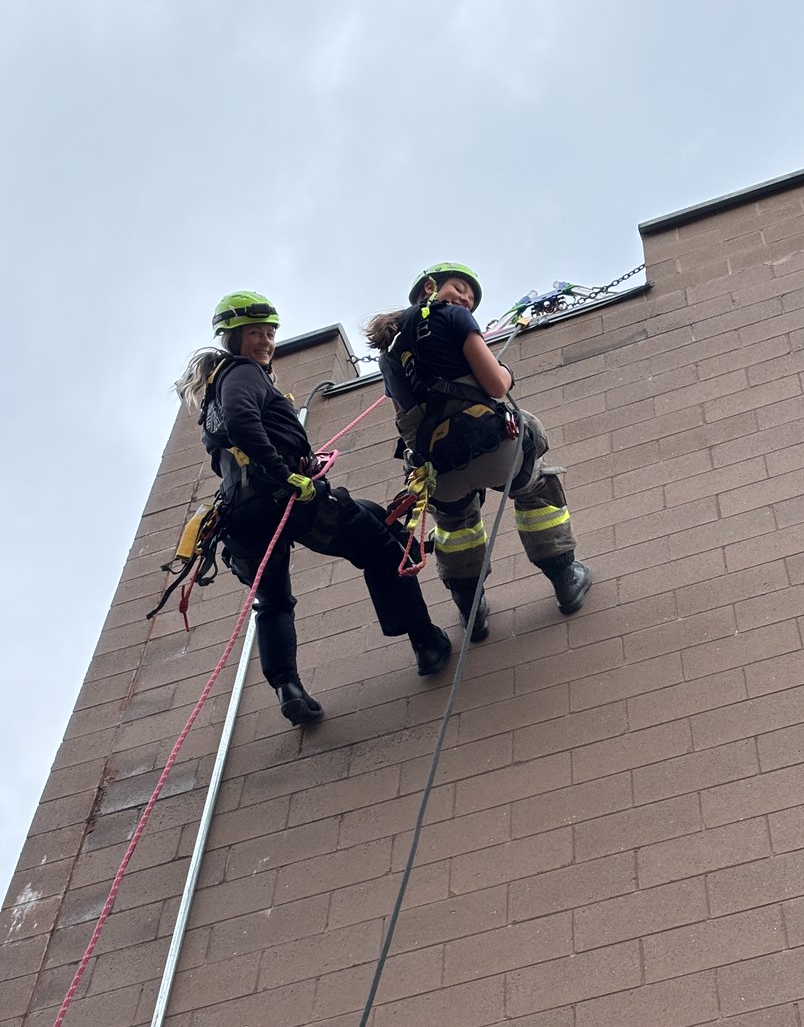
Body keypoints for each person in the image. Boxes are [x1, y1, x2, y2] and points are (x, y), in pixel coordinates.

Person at [174, 291, 451, 726]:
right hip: (283, 497)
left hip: (241, 516)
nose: (265, 341)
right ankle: (425, 642)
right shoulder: (242, 374)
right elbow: (244, 421)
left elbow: (237, 431)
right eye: (254, 333)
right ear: (232, 339)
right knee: (379, 544)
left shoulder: (211, 395)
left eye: (269, 333)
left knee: (274, 601)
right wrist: (284, 474)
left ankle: (288, 688)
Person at [364, 262, 591, 641]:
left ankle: (471, 609)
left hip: (440, 471)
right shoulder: (452, 317)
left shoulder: (387, 354)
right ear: (430, 289)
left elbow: (402, 418)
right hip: (495, 450)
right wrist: (505, 371)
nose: (466, 298)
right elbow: (496, 385)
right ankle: (565, 578)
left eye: (470, 295)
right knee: (537, 490)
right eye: (459, 287)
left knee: (455, 527)